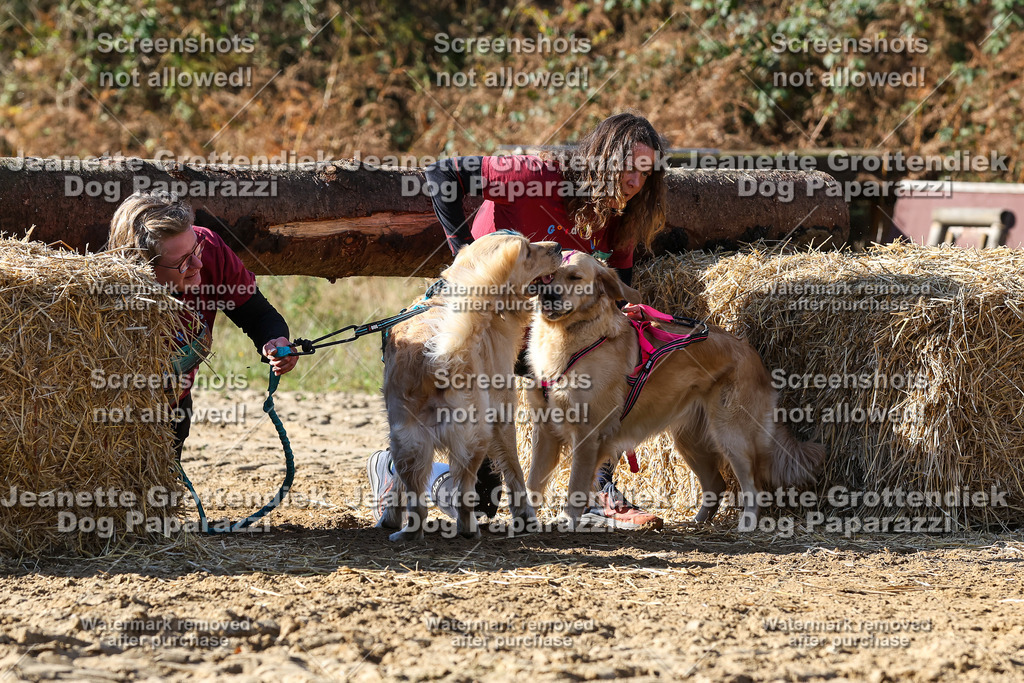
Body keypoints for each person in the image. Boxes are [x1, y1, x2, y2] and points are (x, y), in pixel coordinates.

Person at [369, 111, 669, 530]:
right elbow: (442, 174)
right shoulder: (534, 173)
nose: (635, 183)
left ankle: (600, 487)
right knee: (482, 493)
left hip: (546, 338)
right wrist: (467, 257)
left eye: (645, 174)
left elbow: (620, 282)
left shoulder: (620, 218)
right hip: (488, 329)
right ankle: (396, 473)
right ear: (600, 157)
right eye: (627, 167)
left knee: (616, 359)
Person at [106, 190, 298, 460]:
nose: (198, 263)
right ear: (142, 269)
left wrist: (275, 339)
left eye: (195, 249)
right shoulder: (113, 297)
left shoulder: (209, 247)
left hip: (177, 404)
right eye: (182, 262)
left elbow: (257, 314)